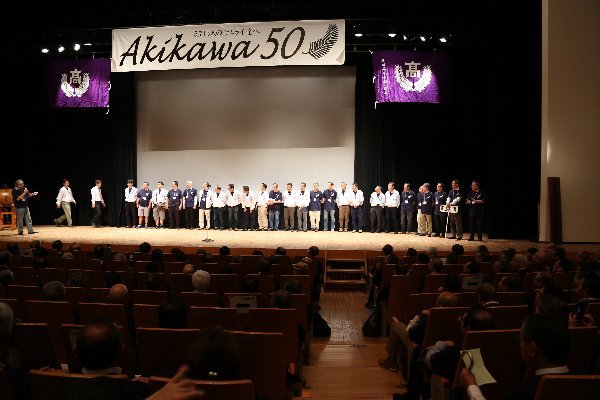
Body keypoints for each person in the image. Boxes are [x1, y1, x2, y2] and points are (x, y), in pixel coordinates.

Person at [459, 314, 570, 400]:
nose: (519, 344)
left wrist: (471, 386)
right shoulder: (579, 386)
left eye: (520, 338)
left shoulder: (523, 393)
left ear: (532, 349)